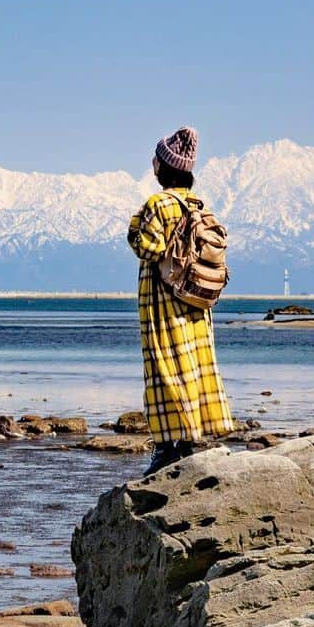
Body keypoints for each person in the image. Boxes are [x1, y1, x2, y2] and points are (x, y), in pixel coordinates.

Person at [127, 126, 233, 475]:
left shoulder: (158, 205)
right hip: (195, 303)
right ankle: (189, 440)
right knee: (194, 367)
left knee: (164, 370)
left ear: (165, 167)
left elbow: (144, 244)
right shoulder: (197, 205)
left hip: (163, 302)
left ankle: (166, 445)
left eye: (156, 160)